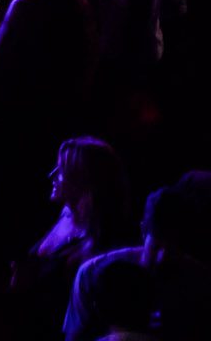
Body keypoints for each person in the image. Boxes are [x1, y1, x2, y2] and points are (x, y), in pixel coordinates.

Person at [61, 170, 211, 341]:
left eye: (173, 250)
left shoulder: (200, 283)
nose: (162, 258)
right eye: (156, 247)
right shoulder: (93, 274)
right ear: (143, 232)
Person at [9, 139, 133, 340]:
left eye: (61, 170)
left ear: (84, 179)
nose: (52, 175)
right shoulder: (64, 216)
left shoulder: (106, 239)